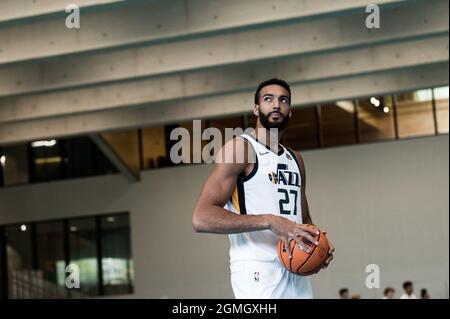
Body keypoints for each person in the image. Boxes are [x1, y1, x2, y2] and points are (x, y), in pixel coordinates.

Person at [192, 78, 334, 298]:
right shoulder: (241, 149)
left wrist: (317, 245)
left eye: (283, 100)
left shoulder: (296, 159)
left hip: (294, 268)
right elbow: (201, 218)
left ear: (290, 111)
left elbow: (302, 220)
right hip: (257, 270)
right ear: (256, 109)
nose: (276, 105)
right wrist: (270, 221)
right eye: (269, 99)